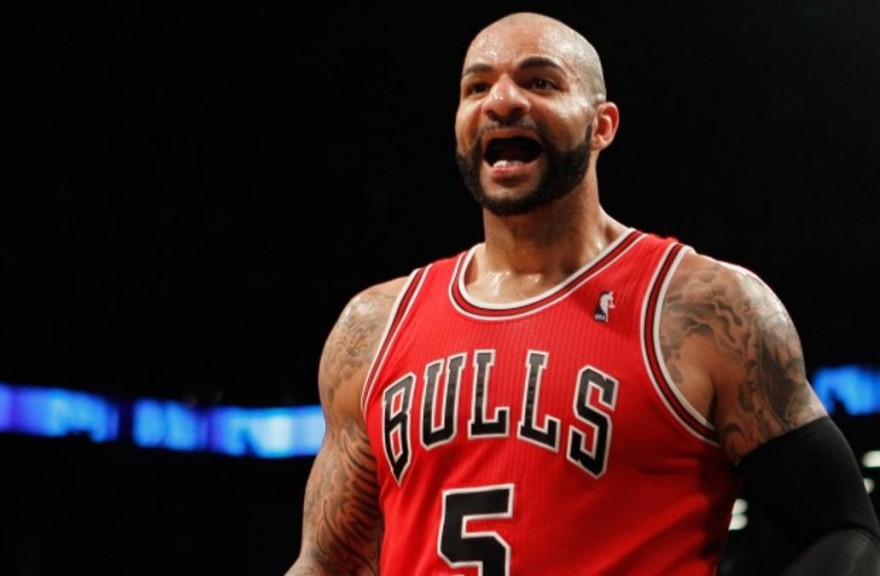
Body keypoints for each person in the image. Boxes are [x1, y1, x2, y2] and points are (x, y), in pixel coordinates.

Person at [285, 11, 879, 575]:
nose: (503, 100)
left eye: (540, 80)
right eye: (476, 87)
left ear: (602, 126)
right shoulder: (372, 326)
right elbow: (327, 562)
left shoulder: (705, 310)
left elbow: (844, 532)